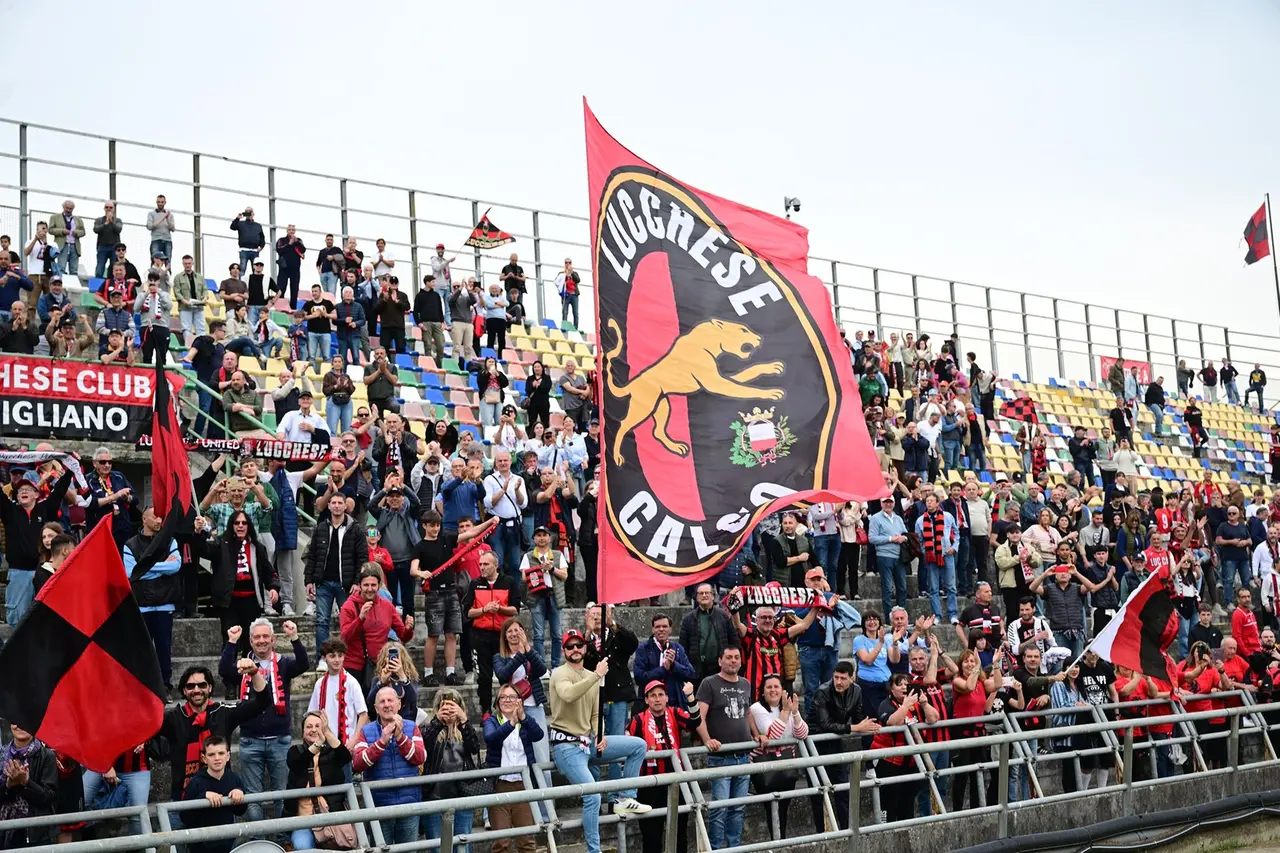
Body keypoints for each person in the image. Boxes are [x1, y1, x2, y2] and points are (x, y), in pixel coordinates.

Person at [549, 628, 652, 853]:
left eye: (579, 645)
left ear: (585, 648)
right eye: (570, 646)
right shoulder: (559, 673)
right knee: (593, 795)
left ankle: (626, 796)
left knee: (638, 745)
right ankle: (593, 851)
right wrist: (596, 676)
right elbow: (568, 695)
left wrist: (601, 734)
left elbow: (596, 714)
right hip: (566, 747)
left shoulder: (591, 675)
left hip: (588, 743)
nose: (575, 649)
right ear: (564, 650)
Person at [217, 617, 309, 836]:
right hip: (250, 739)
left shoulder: (284, 663)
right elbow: (224, 671)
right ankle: (258, 841)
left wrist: (295, 638)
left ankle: (280, 840)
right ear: (250, 641)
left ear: (273, 640)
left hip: (279, 739)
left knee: (281, 795)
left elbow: (304, 664)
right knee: (253, 797)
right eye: (256, 637)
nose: (261, 641)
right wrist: (231, 642)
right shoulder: (244, 665)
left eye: (265, 636)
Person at [159, 663, 269, 805]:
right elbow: (147, 726)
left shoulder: (223, 712)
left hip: (222, 798)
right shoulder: (173, 718)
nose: (196, 690)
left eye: (202, 685)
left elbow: (262, 702)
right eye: (190, 686)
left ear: (210, 687)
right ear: (184, 691)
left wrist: (254, 673)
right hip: (183, 800)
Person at [409, 510, 496, 686]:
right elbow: (413, 569)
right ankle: (428, 673)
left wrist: (489, 522)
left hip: (451, 591)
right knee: (433, 635)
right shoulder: (420, 547)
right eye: (432, 525)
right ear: (424, 526)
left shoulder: (447, 539)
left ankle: (450, 672)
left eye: (438, 525)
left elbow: (471, 533)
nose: (435, 529)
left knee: (451, 634)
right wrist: (421, 572)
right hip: (433, 594)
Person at [194, 511, 280, 671]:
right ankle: (230, 681)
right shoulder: (221, 544)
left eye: (244, 523)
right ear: (231, 526)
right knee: (230, 641)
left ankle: (248, 678)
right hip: (229, 603)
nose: (240, 526)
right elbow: (202, 550)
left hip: (252, 602)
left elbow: (269, 572)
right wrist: (199, 532)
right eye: (237, 523)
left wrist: (273, 587)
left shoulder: (257, 547)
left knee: (250, 642)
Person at [623, 679, 700, 853]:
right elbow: (627, 744)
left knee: (680, 835)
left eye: (660, 695)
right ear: (647, 700)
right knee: (651, 836)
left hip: (676, 782)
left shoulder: (675, 712)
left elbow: (695, 722)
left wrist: (690, 697)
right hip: (649, 784)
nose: (657, 699)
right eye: (653, 696)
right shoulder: (638, 720)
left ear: (666, 698)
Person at [352, 686, 427, 845]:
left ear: (399, 704)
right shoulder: (366, 731)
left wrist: (400, 737)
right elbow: (357, 763)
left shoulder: (411, 727)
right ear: (376, 708)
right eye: (382, 701)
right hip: (379, 806)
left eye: (390, 700)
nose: (386, 705)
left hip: (409, 805)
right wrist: (381, 742)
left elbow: (420, 758)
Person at [696, 645, 754, 848]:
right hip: (721, 757)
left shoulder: (746, 683)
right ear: (720, 660)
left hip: (744, 756)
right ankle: (714, 848)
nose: (733, 661)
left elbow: (748, 713)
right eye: (728, 657)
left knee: (738, 808)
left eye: (736, 657)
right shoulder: (709, 683)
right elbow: (699, 717)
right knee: (719, 808)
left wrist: (757, 735)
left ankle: (734, 848)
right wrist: (707, 740)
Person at [0, 466, 72, 627]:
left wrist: (70, 470)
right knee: (17, 620)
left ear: (36, 494)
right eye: (20, 490)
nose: (23, 491)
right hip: (19, 573)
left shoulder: (45, 508)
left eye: (28, 488)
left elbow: (59, 491)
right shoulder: (10, 511)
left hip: (44, 571)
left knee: (47, 619)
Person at [123, 507, 183, 694]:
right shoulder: (130, 545)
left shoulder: (169, 541)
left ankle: (165, 686)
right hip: (142, 606)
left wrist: (146, 567)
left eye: (161, 517)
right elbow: (131, 573)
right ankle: (142, 688)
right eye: (156, 517)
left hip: (165, 603)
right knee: (142, 650)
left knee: (164, 649)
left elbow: (175, 566)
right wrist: (160, 569)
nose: (159, 521)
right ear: (144, 519)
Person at [485, 684, 546, 853]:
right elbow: (491, 738)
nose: (507, 700)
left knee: (527, 840)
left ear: (520, 701)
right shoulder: (492, 721)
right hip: (499, 786)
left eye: (512, 697)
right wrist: (511, 723)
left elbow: (538, 735)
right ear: (497, 702)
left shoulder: (526, 721)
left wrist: (523, 719)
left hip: (523, 786)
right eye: (503, 697)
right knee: (501, 843)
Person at [748, 675, 810, 840]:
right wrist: (785, 711)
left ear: (782, 690)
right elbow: (772, 736)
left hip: (786, 764)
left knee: (783, 808)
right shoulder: (756, 709)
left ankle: (780, 841)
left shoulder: (787, 708)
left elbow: (802, 733)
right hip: (766, 766)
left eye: (776, 687)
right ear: (762, 692)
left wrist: (795, 713)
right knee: (772, 807)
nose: (773, 690)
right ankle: (777, 841)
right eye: (769, 687)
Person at [284, 711, 351, 851]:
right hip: (303, 819)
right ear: (303, 731)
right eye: (309, 726)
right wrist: (317, 745)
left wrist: (326, 734)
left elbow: (346, 757)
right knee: (302, 847)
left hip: (331, 816)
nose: (313, 729)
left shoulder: (332, 752)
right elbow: (297, 764)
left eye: (317, 726)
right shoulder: (295, 751)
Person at [340, 566, 415, 689]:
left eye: (373, 585)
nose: (370, 589)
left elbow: (403, 636)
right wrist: (360, 619)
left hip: (379, 666)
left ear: (379, 586)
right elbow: (345, 637)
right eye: (366, 585)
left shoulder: (387, 606)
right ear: (359, 586)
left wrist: (408, 629)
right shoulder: (349, 606)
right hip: (354, 667)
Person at [494, 618, 553, 777]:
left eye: (517, 630)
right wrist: (519, 654)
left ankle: (546, 801)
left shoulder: (531, 653)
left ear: (524, 632)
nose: (514, 634)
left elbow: (541, 670)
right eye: (510, 631)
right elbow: (503, 675)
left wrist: (527, 649)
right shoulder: (499, 657)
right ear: (505, 636)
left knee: (541, 757)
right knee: (516, 755)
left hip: (533, 707)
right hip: (510, 711)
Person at [466, 551, 523, 712]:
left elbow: (515, 609)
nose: (482, 567)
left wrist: (500, 609)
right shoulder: (475, 583)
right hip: (480, 635)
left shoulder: (509, 582)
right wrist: (484, 609)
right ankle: (486, 711)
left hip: (502, 636)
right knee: (484, 677)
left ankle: (507, 708)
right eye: (481, 564)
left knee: (505, 675)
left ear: (496, 565)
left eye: (486, 564)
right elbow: (468, 612)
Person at [584, 602, 641, 742]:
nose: (597, 618)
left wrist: (612, 624)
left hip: (617, 695)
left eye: (600, 614)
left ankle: (615, 765)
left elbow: (633, 643)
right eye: (593, 615)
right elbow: (579, 661)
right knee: (592, 739)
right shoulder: (581, 640)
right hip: (593, 697)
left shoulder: (618, 635)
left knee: (617, 739)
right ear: (587, 617)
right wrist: (587, 634)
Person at [181, 737, 248, 853]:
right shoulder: (195, 782)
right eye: (211, 755)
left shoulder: (234, 779)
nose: (217, 758)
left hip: (228, 842)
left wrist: (240, 793)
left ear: (228, 756)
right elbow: (185, 816)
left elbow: (240, 811)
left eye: (221, 753)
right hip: (201, 845)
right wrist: (202, 797)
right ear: (204, 758)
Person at [0, 722, 58, 849]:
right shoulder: (2, 755)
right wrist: (9, 785)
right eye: (15, 721)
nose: (20, 725)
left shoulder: (47, 756)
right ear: (10, 725)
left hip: (38, 834)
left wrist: (26, 783)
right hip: (5, 833)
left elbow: (49, 797)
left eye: (25, 720)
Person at [307, 638, 370, 749]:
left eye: (340, 655)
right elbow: (313, 713)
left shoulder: (351, 682)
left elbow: (363, 714)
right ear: (324, 658)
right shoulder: (319, 684)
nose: (337, 660)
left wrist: (354, 740)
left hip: (346, 744)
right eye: (332, 656)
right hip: (325, 744)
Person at [633, 613, 697, 711]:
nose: (661, 629)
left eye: (665, 626)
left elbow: (691, 674)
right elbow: (639, 677)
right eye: (657, 627)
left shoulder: (678, 648)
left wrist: (674, 665)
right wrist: (663, 669)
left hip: (675, 704)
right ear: (653, 629)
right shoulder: (643, 649)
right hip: (650, 705)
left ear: (670, 629)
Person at [915, 492, 961, 624]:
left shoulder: (947, 516)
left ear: (937, 503)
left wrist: (954, 547)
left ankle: (952, 614)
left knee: (951, 586)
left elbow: (956, 533)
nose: (929, 503)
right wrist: (926, 551)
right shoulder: (920, 521)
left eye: (932, 500)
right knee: (933, 587)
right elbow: (919, 539)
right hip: (931, 556)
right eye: (927, 501)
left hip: (946, 554)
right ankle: (937, 615)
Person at [680, 583, 735, 683]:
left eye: (707, 593)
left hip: (721, 668)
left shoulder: (723, 615)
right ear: (696, 597)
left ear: (713, 596)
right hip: (698, 670)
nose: (704, 595)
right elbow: (683, 647)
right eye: (701, 593)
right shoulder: (688, 619)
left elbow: (733, 640)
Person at [556, 258, 581, 327]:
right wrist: (566, 276)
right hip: (566, 295)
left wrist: (571, 272)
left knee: (575, 313)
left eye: (569, 263)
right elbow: (557, 282)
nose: (568, 264)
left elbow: (578, 280)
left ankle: (576, 327)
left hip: (574, 295)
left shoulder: (574, 273)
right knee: (564, 312)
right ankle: (564, 326)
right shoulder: (561, 274)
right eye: (566, 263)